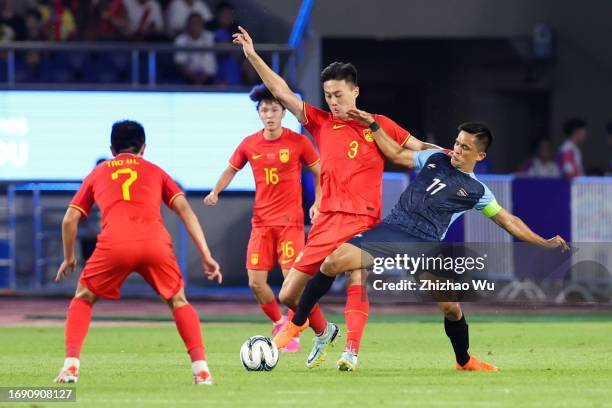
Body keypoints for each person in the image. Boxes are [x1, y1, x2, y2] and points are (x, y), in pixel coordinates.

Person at [275, 118, 570, 371]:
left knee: (452, 309)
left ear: (480, 155)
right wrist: (374, 124)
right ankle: (297, 323)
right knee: (333, 261)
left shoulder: (478, 191)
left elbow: (509, 221)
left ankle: (464, 360)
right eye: (457, 142)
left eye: (465, 147)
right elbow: (394, 152)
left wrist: (542, 242)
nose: (457, 149)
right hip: (392, 230)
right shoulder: (434, 158)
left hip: (424, 246)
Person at [233, 26, 437, 368]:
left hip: (363, 220)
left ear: (355, 91)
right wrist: (253, 56)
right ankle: (324, 331)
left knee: (357, 276)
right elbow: (280, 92)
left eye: (339, 94)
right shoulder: (320, 122)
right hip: (326, 220)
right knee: (288, 293)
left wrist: (452, 155)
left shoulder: (379, 125)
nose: (333, 100)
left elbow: (418, 149)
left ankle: (351, 352)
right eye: (328, 94)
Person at [54, 120, 222, 385]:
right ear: (143, 147)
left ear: (112, 149)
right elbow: (185, 211)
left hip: (114, 245)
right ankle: (201, 370)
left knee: (83, 298)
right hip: (153, 243)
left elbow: (68, 220)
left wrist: (69, 257)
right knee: (179, 301)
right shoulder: (156, 171)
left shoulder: (99, 172)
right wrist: (206, 253)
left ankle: (71, 368)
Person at [204, 84, 321, 352]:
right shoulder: (249, 144)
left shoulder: (299, 142)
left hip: (290, 223)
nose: (269, 114)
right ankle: (280, 323)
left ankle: (295, 332)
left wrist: (318, 201)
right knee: (256, 283)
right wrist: (215, 191)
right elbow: (230, 169)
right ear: (259, 114)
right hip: (261, 224)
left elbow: (319, 171)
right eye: (265, 109)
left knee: (292, 284)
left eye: (275, 109)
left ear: (283, 113)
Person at [173, 12, 216, 85]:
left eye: (198, 23)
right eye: (192, 23)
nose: (195, 26)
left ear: (202, 24)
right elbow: (180, 63)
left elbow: (224, 46)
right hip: (188, 78)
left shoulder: (210, 36)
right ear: (187, 25)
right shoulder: (180, 40)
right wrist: (193, 76)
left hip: (210, 78)